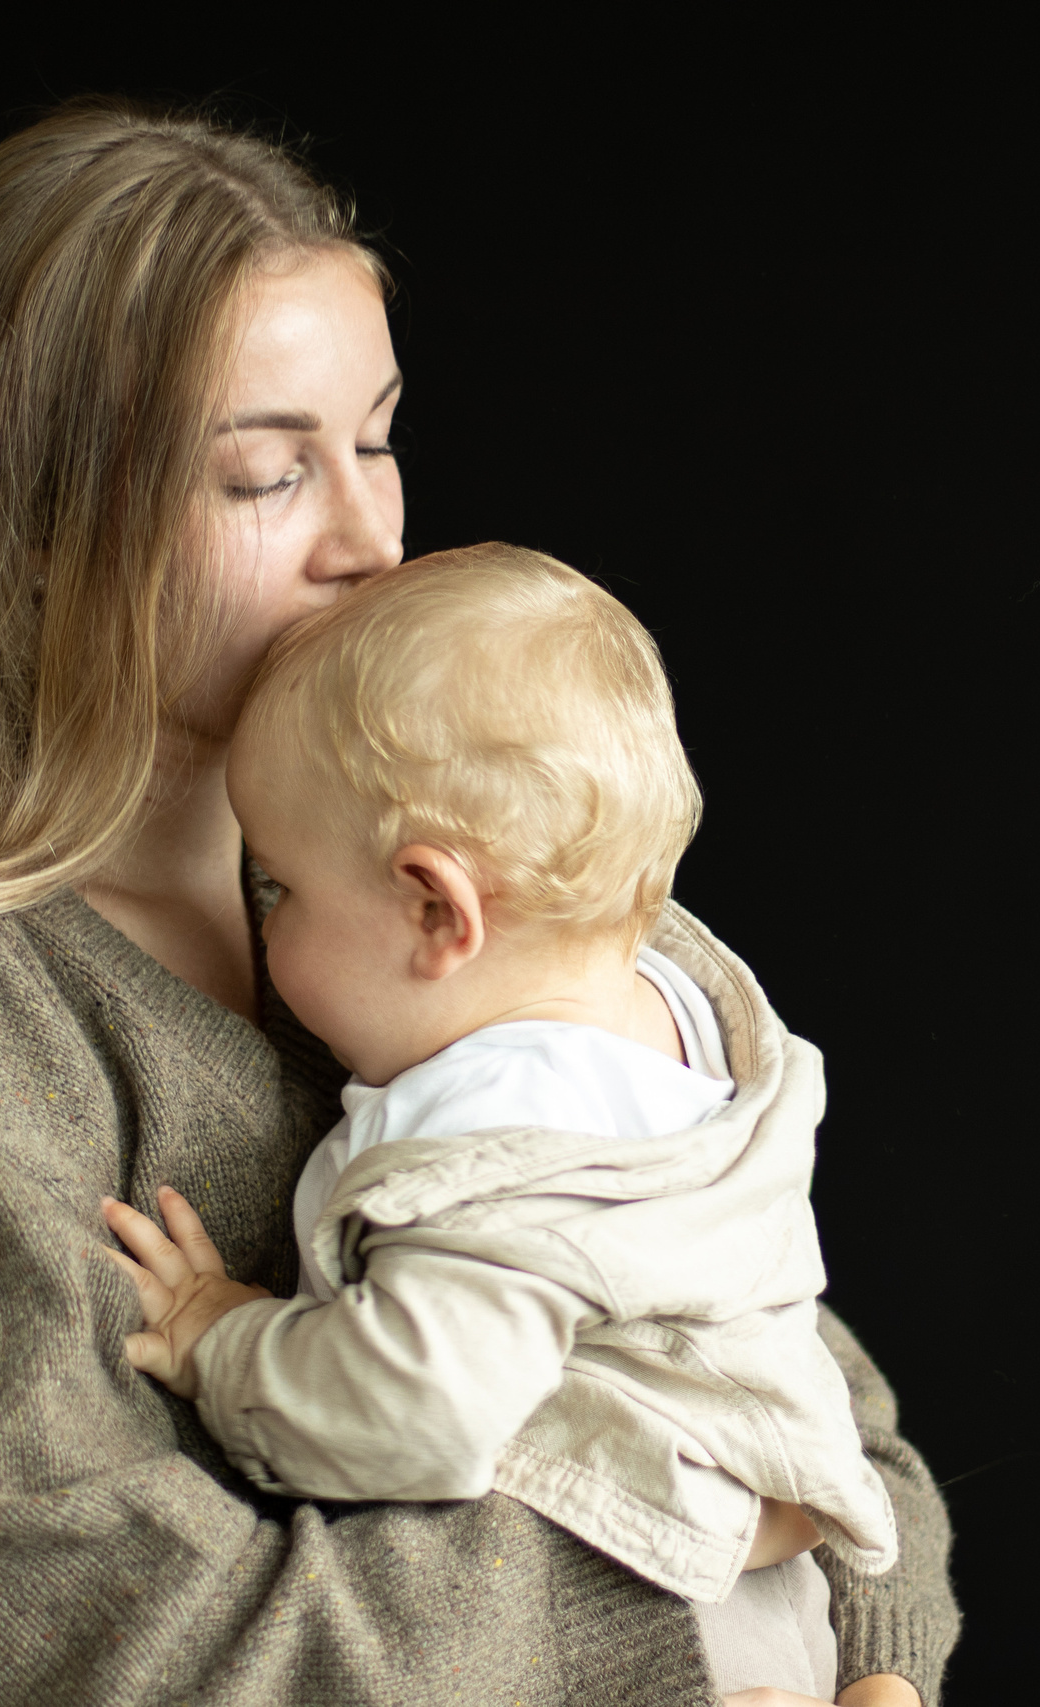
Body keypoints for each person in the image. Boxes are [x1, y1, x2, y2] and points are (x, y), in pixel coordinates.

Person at [0, 97, 958, 1705]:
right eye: (267, 473)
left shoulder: (461, 861)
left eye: (378, 439)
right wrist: (671, 1565)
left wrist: (875, 1654)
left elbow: (797, 1366)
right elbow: (34, 1644)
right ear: (35, 531)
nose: (374, 538)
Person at [99, 544, 895, 1700]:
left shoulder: (496, 1141)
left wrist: (220, 1334)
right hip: (780, 1600)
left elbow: (408, 1409)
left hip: (666, 1633)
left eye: (276, 887)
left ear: (435, 911)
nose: (257, 924)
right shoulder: (673, 1026)